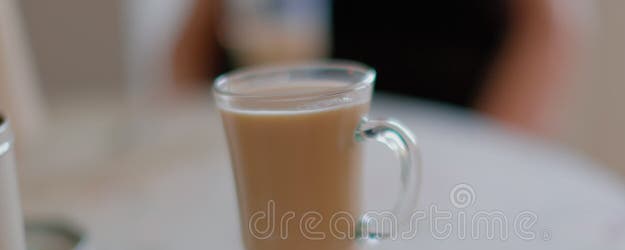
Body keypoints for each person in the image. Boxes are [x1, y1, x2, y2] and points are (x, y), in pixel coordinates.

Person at [172, 0, 588, 136]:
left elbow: (548, 27)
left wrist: (487, 156)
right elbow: (194, 38)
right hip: (303, 133)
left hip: (446, 133)